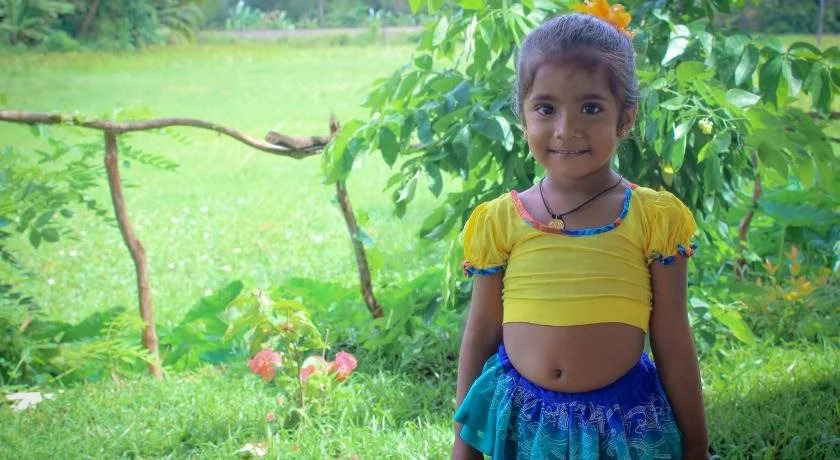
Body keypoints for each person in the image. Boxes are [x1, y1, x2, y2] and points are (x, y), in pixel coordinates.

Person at [452, 3, 709, 459]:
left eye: (591, 108)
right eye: (545, 108)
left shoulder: (652, 218)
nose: (565, 129)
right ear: (523, 115)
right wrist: (464, 446)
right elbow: (482, 333)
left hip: (621, 427)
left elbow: (672, 336)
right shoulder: (501, 220)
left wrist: (696, 446)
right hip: (528, 425)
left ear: (625, 118)